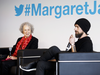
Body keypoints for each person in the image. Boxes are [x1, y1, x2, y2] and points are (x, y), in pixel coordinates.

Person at [20, 18, 93, 75]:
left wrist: (73, 44)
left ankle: (34, 63)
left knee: (54, 49)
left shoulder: (87, 43)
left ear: (83, 29)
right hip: (65, 64)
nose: (74, 29)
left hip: (73, 67)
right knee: (41, 64)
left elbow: (76, 60)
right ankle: (37, 63)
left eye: (77, 27)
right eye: (75, 27)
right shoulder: (79, 41)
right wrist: (48, 60)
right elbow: (68, 56)